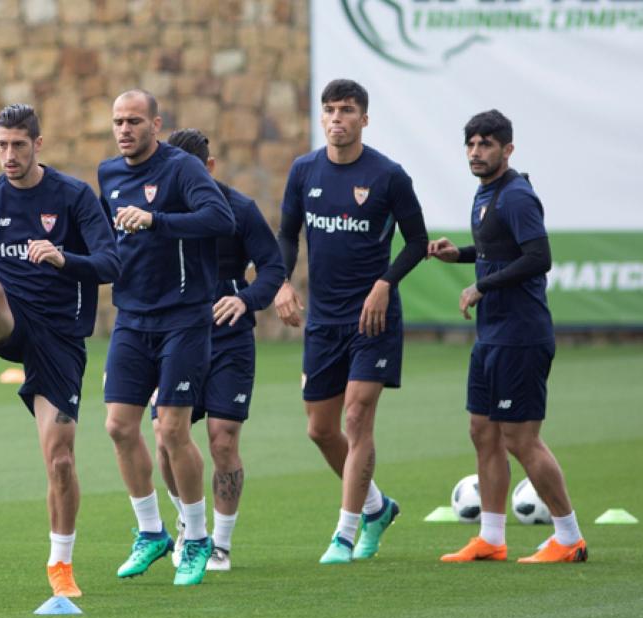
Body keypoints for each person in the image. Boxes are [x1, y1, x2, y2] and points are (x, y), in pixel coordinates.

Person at [0, 104, 120, 597]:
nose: (9, 155)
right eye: (1, 145)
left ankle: (60, 565)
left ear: (38, 144)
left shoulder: (74, 196)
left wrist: (64, 258)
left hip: (60, 339)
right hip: (10, 321)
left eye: (18, 145)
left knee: (59, 460)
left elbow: (111, 263)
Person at [274, 79, 429, 564]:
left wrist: (386, 283)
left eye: (347, 110)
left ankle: (345, 532)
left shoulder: (388, 176)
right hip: (324, 320)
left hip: (372, 319)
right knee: (320, 430)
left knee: (357, 417)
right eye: (329, 110)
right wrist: (281, 282)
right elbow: (286, 235)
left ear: (364, 119)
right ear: (321, 118)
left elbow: (418, 241)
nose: (337, 118)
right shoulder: (304, 171)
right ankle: (377, 507)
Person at [430, 110, 588, 564]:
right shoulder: (487, 194)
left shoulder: (517, 195)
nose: (477, 152)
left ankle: (569, 536)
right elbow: (496, 253)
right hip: (492, 336)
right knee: (483, 432)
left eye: (487, 144)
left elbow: (539, 257)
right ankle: (492, 538)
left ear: (507, 149)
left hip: (521, 335)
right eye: (472, 144)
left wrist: (481, 285)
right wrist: (458, 255)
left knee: (521, 438)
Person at [98, 90, 235, 586]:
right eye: (118, 121)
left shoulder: (182, 169)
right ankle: (152, 532)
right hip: (131, 318)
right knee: (117, 426)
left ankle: (197, 538)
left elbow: (221, 219)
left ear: (156, 125)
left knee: (173, 430)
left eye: (134, 120)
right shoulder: (108, 174)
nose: (125, 129)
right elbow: (106, 240)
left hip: (183, 317)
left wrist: (157, 220)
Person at [153, 129, 285, 572]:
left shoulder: (240, 209)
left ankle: (221, 544)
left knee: (223, 440)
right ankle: (191, 527)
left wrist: (245, 298)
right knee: (164, 438)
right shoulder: (156, 212)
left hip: (229, 338)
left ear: (208, 169)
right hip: (175, 335)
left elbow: (272, 267)